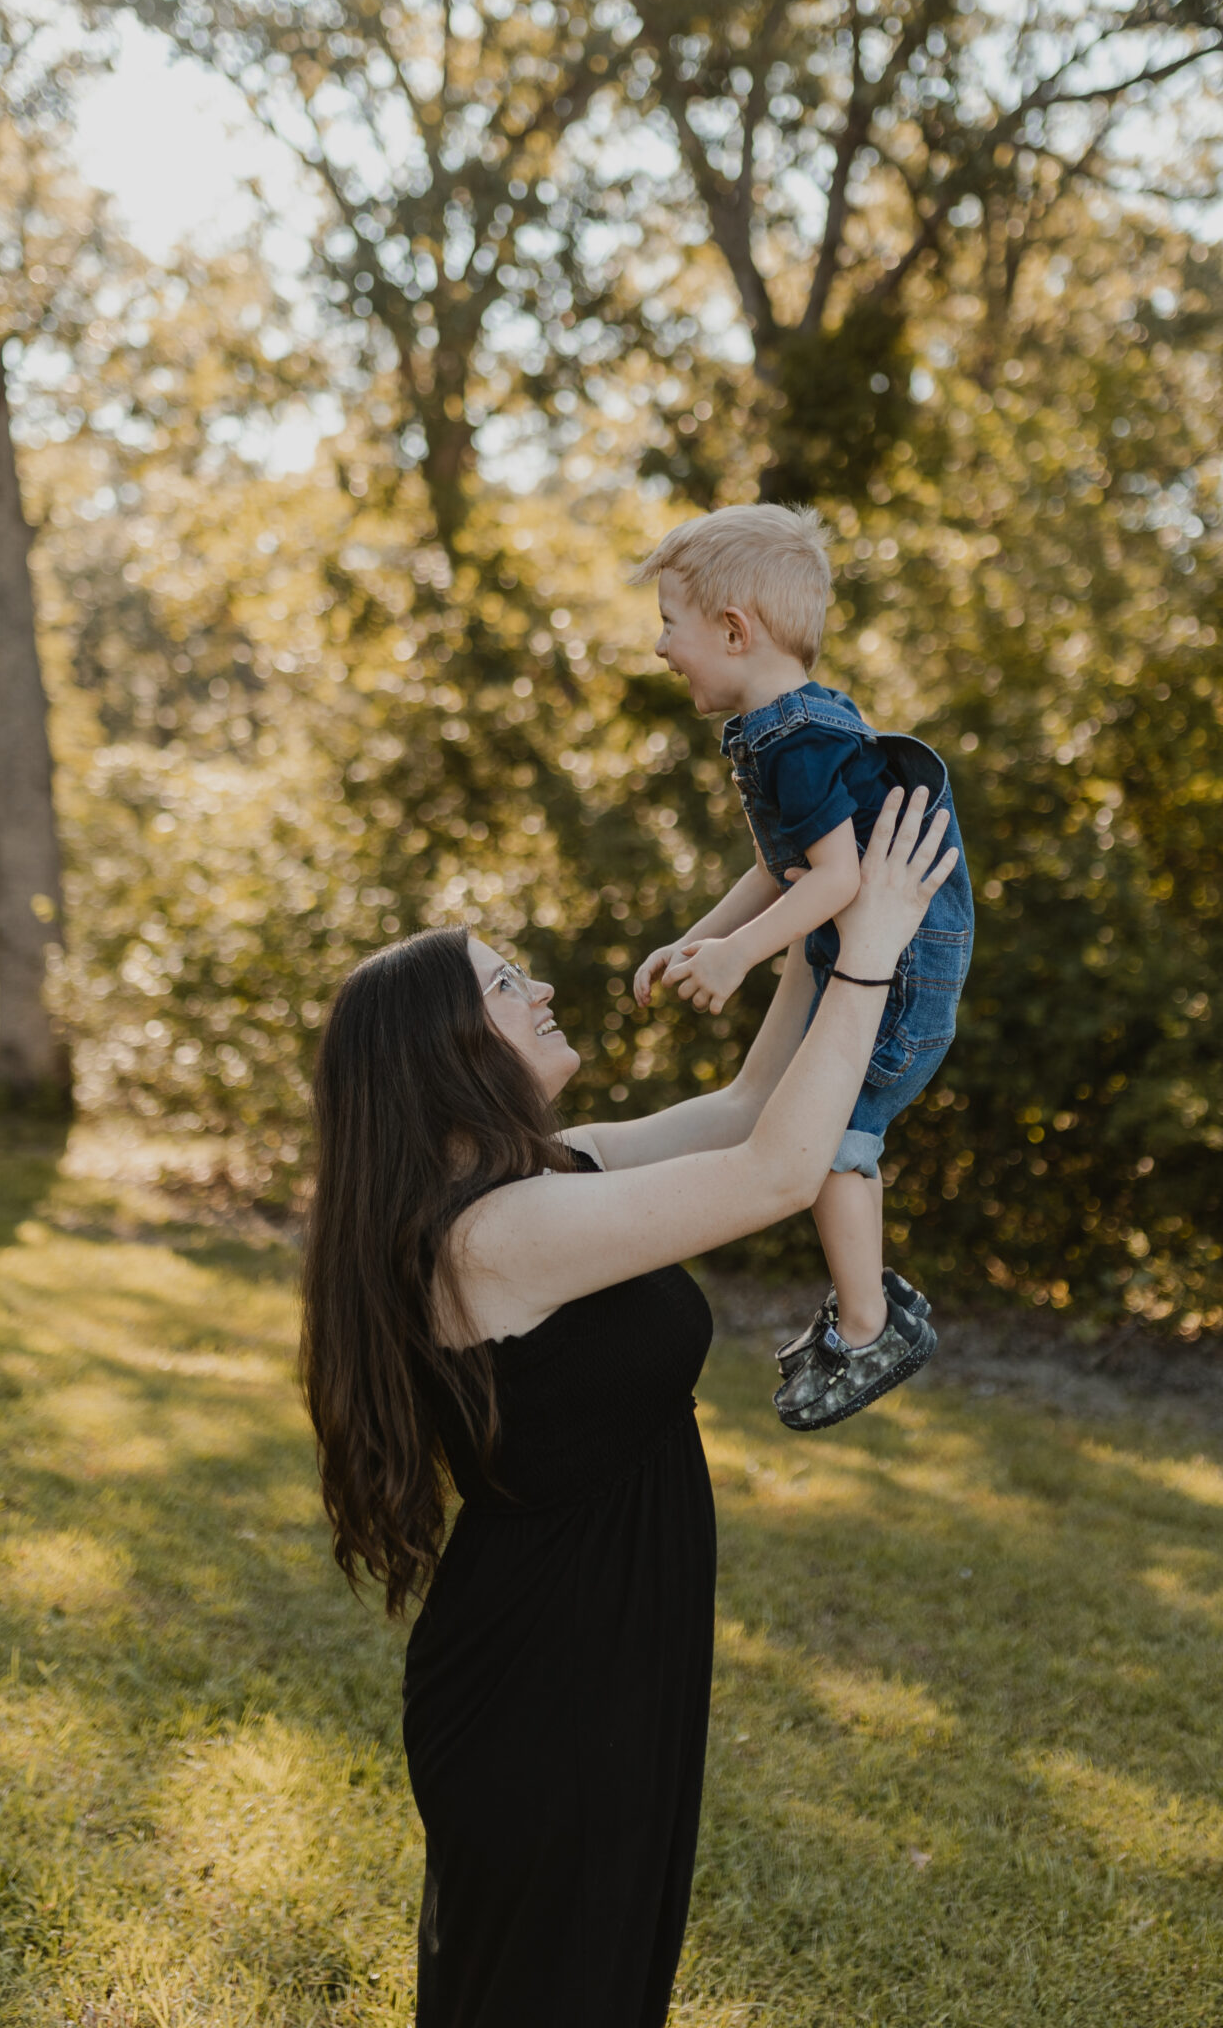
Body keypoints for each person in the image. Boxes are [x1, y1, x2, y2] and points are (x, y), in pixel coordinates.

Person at [300, 788, 955, 2028]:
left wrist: (817, 918)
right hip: (547, 1691)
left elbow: (756, 1109)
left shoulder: (551, 1173)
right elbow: (778, 1173)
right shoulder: (493, 1237)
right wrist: (867, 951)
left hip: (607, 1657)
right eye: (505, 984)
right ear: (446, 1050)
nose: (538, 989)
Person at [630, 504, 973, 1432]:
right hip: (868, 948)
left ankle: (870, 1327)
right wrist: (697, 937)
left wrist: (741, 955)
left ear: (734, 632)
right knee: (800, 1122)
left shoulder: (798, 739)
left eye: (670, 622)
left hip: (899, 971)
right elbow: (779, 866)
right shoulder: (779, 730)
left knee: (834, 1139)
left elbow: (837, 879)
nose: (661, 646)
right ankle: (867, 1310)